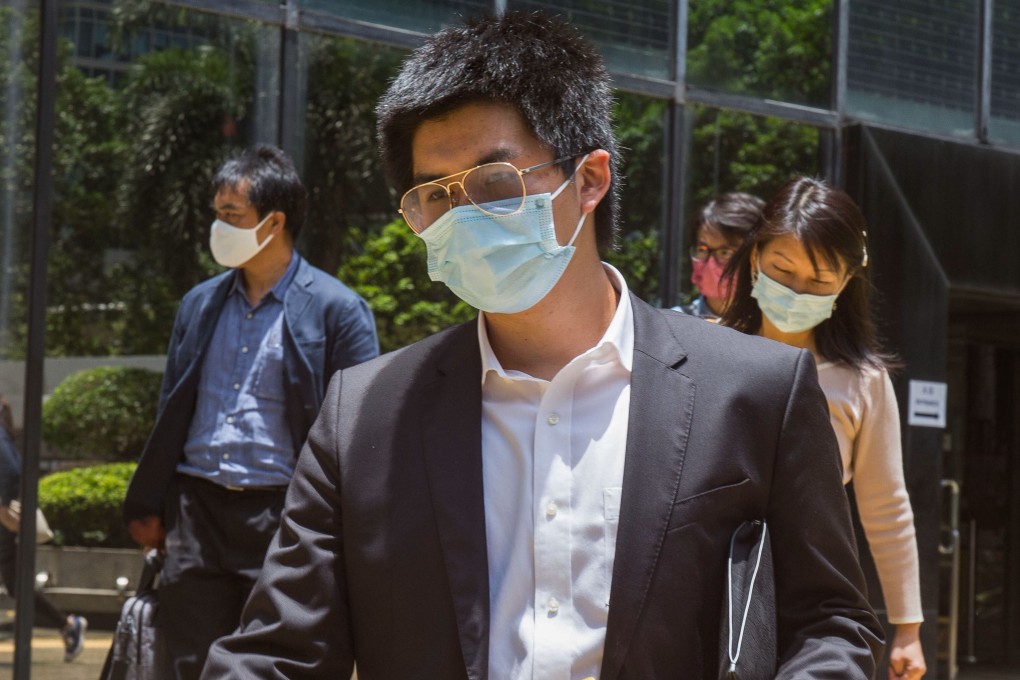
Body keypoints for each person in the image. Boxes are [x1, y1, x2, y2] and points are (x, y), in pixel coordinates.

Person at [203, 12, 883, 679]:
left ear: (589, 179)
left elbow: (829, 622)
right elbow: (279, 653)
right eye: (433, 197)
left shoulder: (756, 393)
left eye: (493, 182)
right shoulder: (363, 416)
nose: (461, 215)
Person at [122, 144, 379, 679]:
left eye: (230, 216)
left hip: (284, 516)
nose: (218, 227)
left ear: (274, 222)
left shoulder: (338, 310)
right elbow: (170, 410)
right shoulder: (199, 303)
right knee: (189, 660)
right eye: (217, 214)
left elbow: (361, 431)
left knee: (278, 656)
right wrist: (150, 503)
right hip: (196, 512)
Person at [721, 176, 926, 680]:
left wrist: (908, 628)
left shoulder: (863, 382)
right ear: (754, 260)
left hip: (808, 605)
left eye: (818, 280)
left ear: (847, 282)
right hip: (709, 589)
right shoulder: (704, 352)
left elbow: (886, 508)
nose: (796, 291)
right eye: (782, 270)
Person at [0, 397, 87, 662]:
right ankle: (68, 625)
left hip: (6, 524)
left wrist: (3, 508)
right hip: (8, 525)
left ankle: (69, 625)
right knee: (18, 585)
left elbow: (12, 473)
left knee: (18, 585)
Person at [677, 192, 764, 321]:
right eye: (702, 249)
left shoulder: (776, 331)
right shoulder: (675, 324)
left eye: (726, 253)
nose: (710, 264)